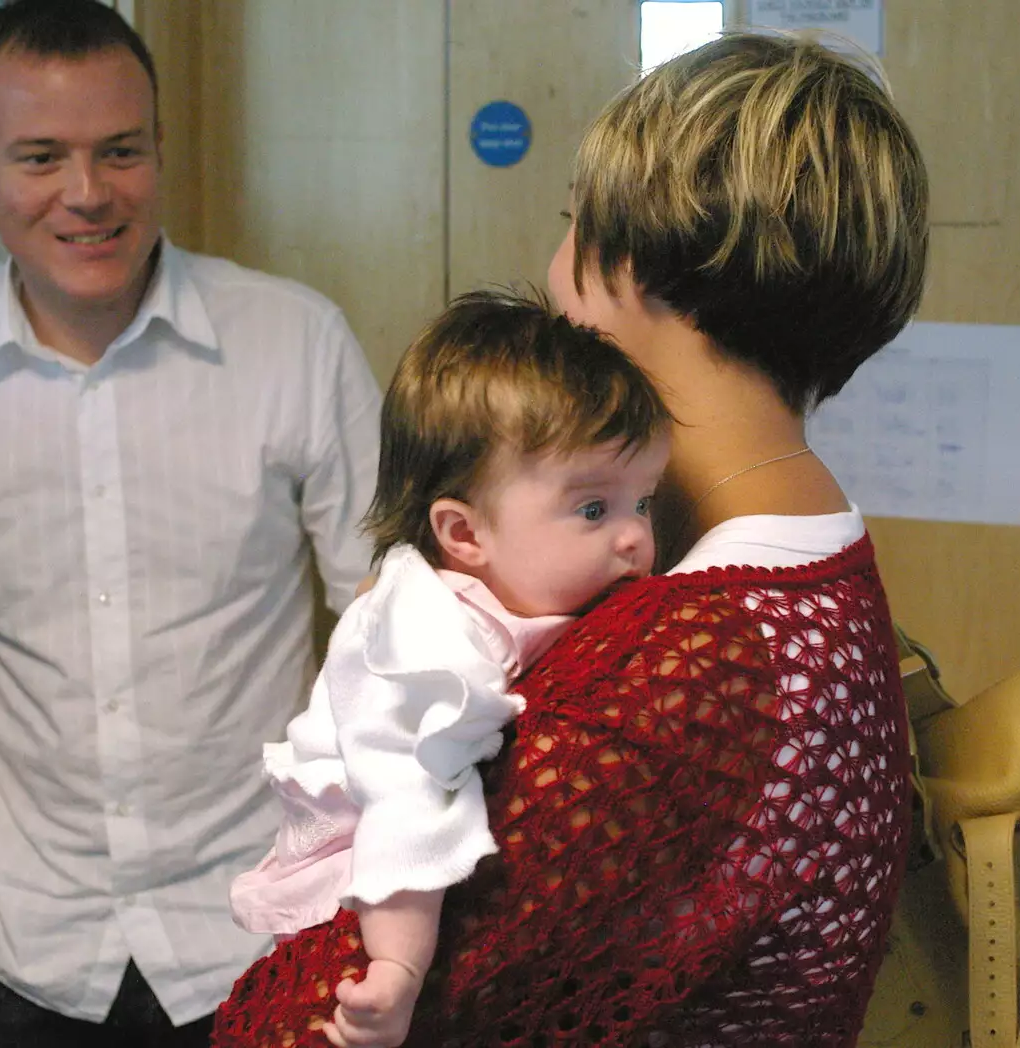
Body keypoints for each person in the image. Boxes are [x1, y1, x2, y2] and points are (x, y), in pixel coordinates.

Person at [213, 29, 929, 1048]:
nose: (553, 278)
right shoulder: (819, 564)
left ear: (640, 261)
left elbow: (306, 1020)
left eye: (571, 228)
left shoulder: (685, 661)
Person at [0, 1, 382, 1045]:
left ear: (158, 151)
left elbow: (383, 625)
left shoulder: (296, 343)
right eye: (39, 157)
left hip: (261, 936)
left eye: (119, 151)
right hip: (25, 956)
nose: (87, 194)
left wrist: (365, 893)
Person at [227, 290, 671, 1048]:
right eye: (595, 509)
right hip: (363, 884)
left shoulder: (524, 588)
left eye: (645, 502)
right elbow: (406, 797)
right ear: (463, 533)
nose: (634, 537)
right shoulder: (427, 640)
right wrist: (396, 969)